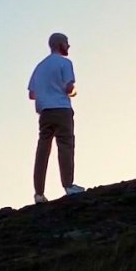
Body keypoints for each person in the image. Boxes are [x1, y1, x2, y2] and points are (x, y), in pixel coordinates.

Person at [27, 32, 84, 204]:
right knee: (65, 145)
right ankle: (68, 185)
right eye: (67, 43)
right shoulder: (65, 63)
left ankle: (39, 193)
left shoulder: (39, 67)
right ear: (60, 44)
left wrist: (45, 94)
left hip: (44, 113)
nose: (68, 46)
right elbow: (69, 88)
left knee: (43, 151)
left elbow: (31, 94)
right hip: (61, 108)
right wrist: (72, 92)